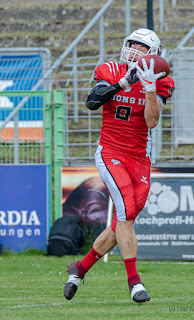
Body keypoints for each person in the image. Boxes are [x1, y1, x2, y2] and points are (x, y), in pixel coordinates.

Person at [64, 28, 175, 303]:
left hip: (140, 157)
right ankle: (134, 282)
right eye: (132, 45)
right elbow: (92, 102)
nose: (135, 51)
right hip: (111, 151)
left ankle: (79, 269)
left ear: (153, 55)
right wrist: (124, 82)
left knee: (121, 223)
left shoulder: (162, 81)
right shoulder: (110, 69)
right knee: (124, 210)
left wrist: (149, 88)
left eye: (142, 48)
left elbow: (151, 121)